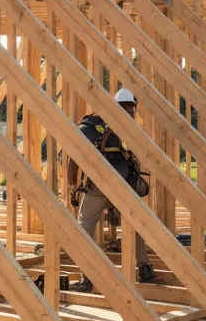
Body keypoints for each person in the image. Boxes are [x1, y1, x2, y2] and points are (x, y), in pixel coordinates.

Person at [67, 87, 159, 290]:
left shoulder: (94, 124)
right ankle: (145, 269)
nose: (129, 112)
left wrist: (72, 184)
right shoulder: (129, 129)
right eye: (130, 108)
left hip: (100, 184)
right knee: (133, 226)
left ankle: (88, 277)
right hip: (124, 183)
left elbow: (73, 154)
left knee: (85, 226)